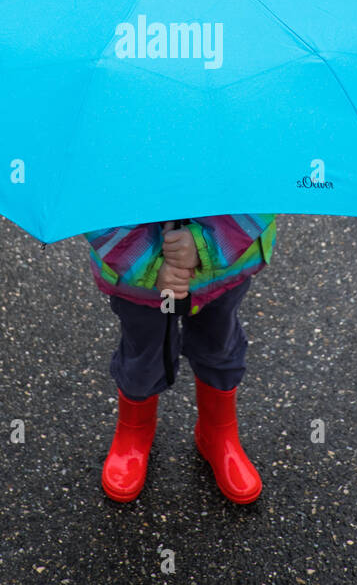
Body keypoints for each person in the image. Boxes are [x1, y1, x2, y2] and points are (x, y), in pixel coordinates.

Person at [83, 216, 276, 504]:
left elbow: (260, 192)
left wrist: (206, 246)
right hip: (138, 280)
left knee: (219, 343)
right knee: (144, 354)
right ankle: (135, 431)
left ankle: (217, 430)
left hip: (224, 268)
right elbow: (95, 202)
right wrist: (150, 264)